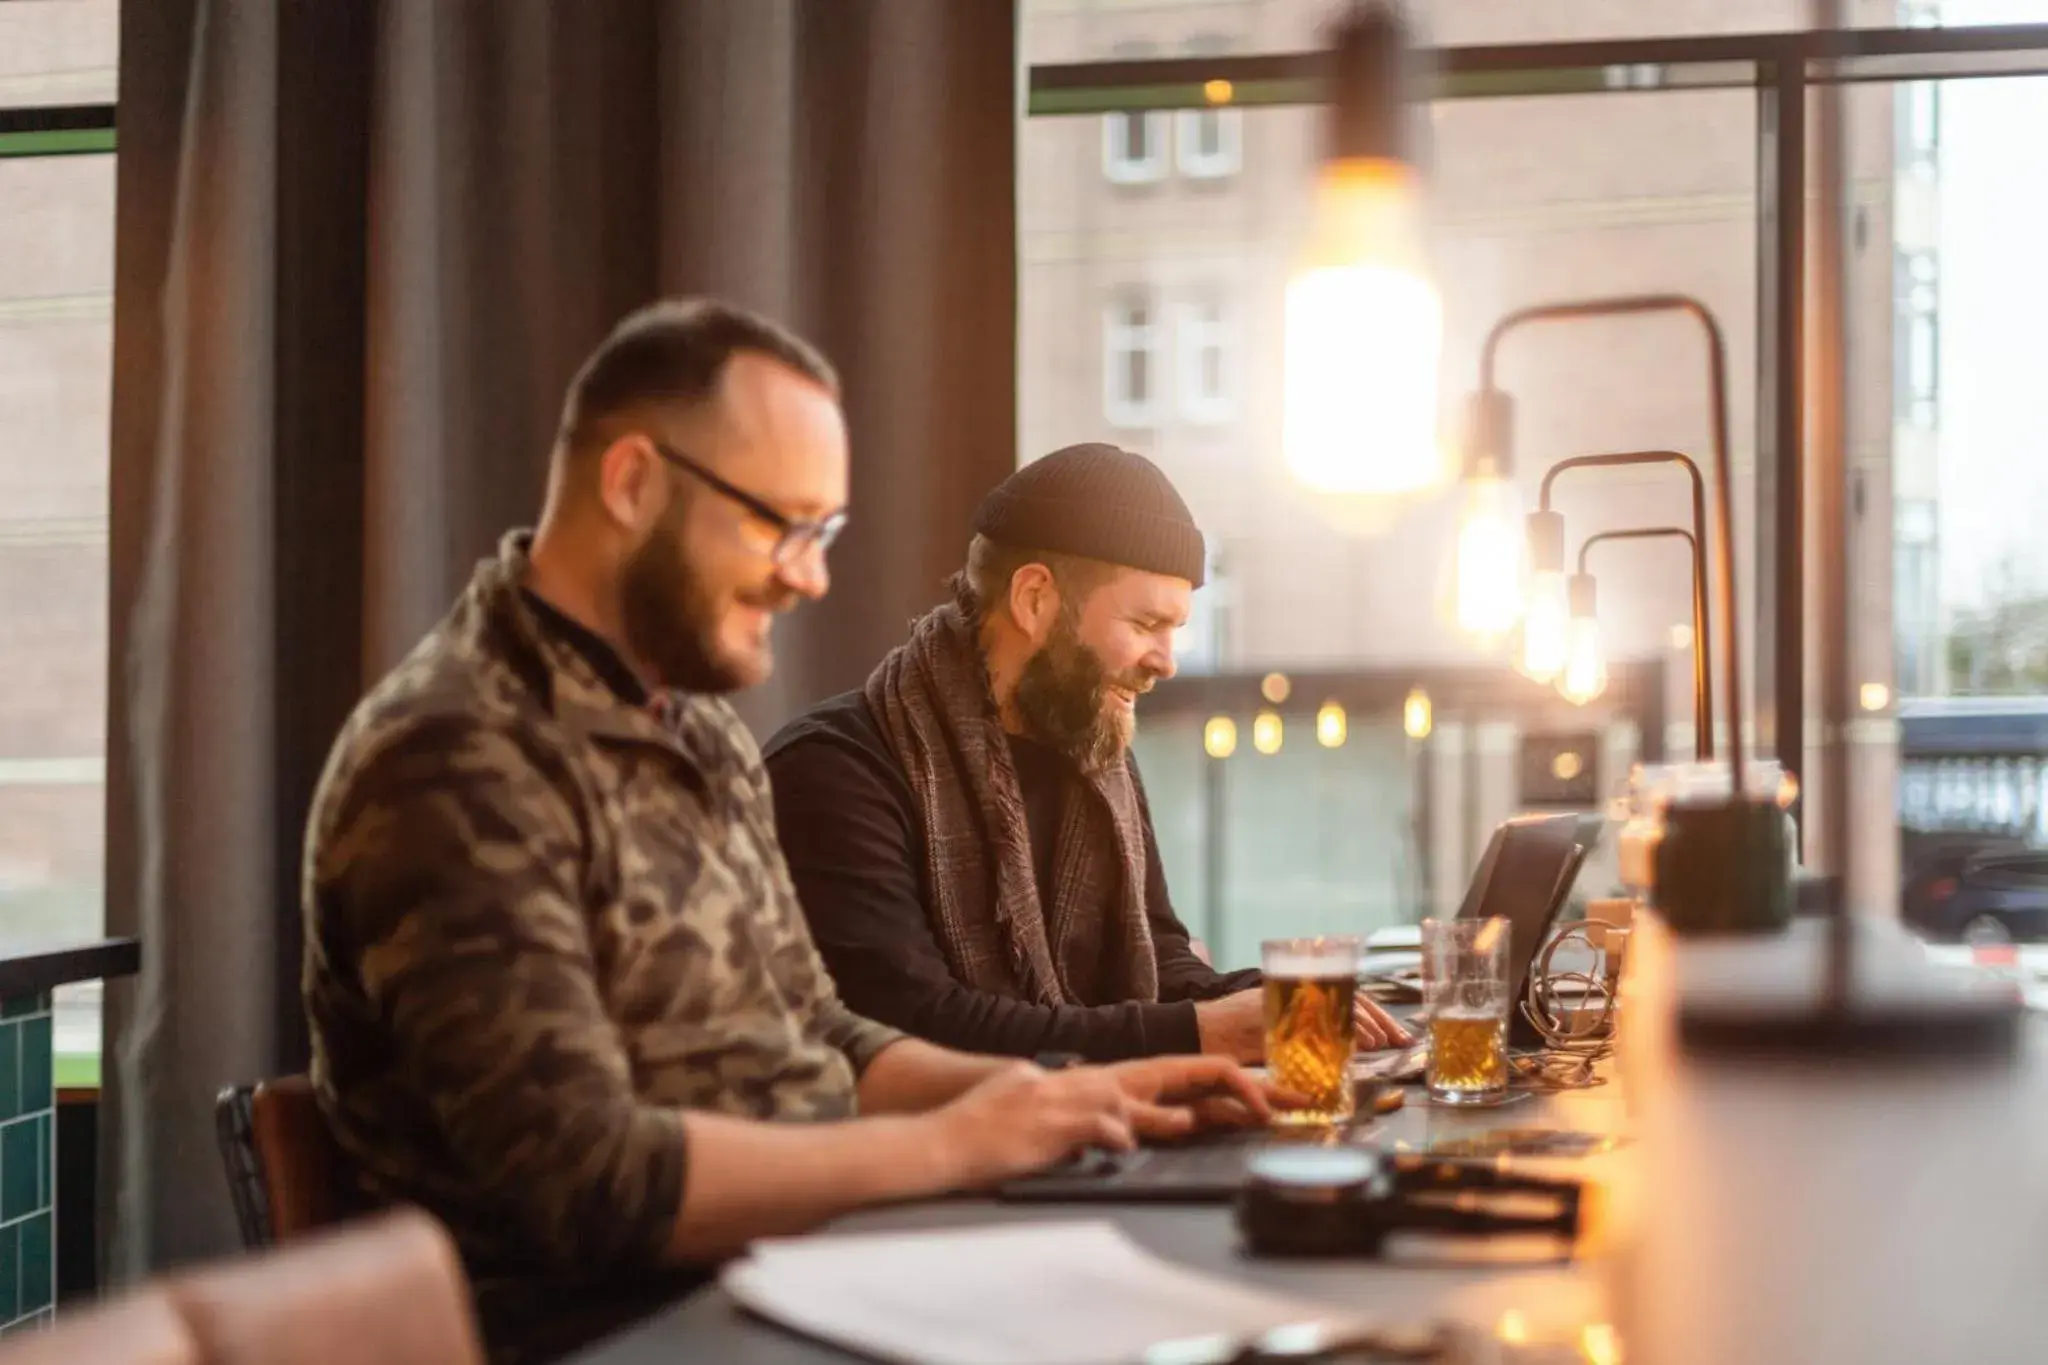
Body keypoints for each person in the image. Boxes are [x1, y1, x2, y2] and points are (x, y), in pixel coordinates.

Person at [301, 302, 1274, 1365]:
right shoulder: (455, 758)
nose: (808, 577)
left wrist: (1081, 1093)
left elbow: (819, 1029)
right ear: (631, 483)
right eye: (781, 525)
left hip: (795, 1277)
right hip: (617, 1331)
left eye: (822, 536)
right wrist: (943, 1148)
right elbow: (584, 1184)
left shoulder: (699, 737)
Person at [763, 444, 1412, 1063]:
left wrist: (1302, 1000)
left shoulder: (1093, 750)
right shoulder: (834, 772)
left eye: (1174, 630)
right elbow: (921, 1027)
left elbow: (1159, 959)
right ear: (1035, 600)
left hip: (1090, 1144)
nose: (1166, 662)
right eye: (1145, 624)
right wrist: (1203, 1030)